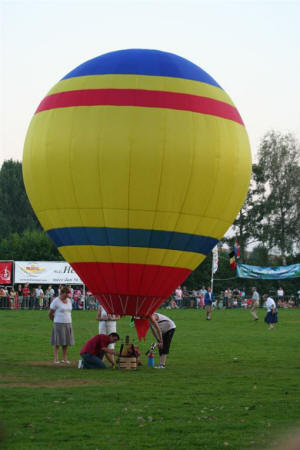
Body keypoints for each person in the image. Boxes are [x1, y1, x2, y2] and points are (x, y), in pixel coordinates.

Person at [49, 285, 74, 364]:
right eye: (66, 294)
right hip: (58, 323)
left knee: (66, 342)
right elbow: (50, 313)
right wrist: (55, 320)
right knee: (57, 342)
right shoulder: (56, 301)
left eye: (68, 294)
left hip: (68, 323)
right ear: (62, 293)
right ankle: (56, 359)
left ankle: (64, 359)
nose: (67, 296)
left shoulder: (69, 301)